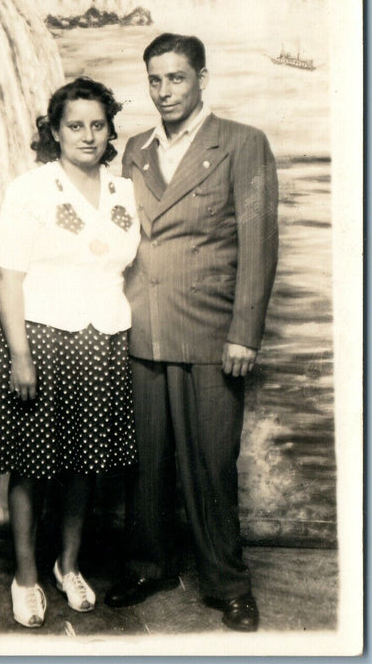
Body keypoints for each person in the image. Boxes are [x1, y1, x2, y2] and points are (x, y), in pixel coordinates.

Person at [105, 33, 278, 632]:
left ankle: (227, 583)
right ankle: (149, 566)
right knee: (146, 462)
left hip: (210, 333)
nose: (164, 91)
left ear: (202, 77)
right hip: (142, 330)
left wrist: (245, 333)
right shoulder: (134, 148)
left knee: (211, 463)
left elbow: (259, 245)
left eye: (176, 78)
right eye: (155, 79)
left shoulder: (244, 144)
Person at [0, 77, 140, 628]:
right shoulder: (32, 189)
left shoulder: (123, 191)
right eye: (75, 125)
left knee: (83, 468)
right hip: (40, 340)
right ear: (55, 131)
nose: (88, 136)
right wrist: (20, 355)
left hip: (103, 341)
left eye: (98, 124)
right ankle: (25, 577)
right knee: (31, 466)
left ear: (110, 129)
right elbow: (9, 276)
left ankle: (68, 567)